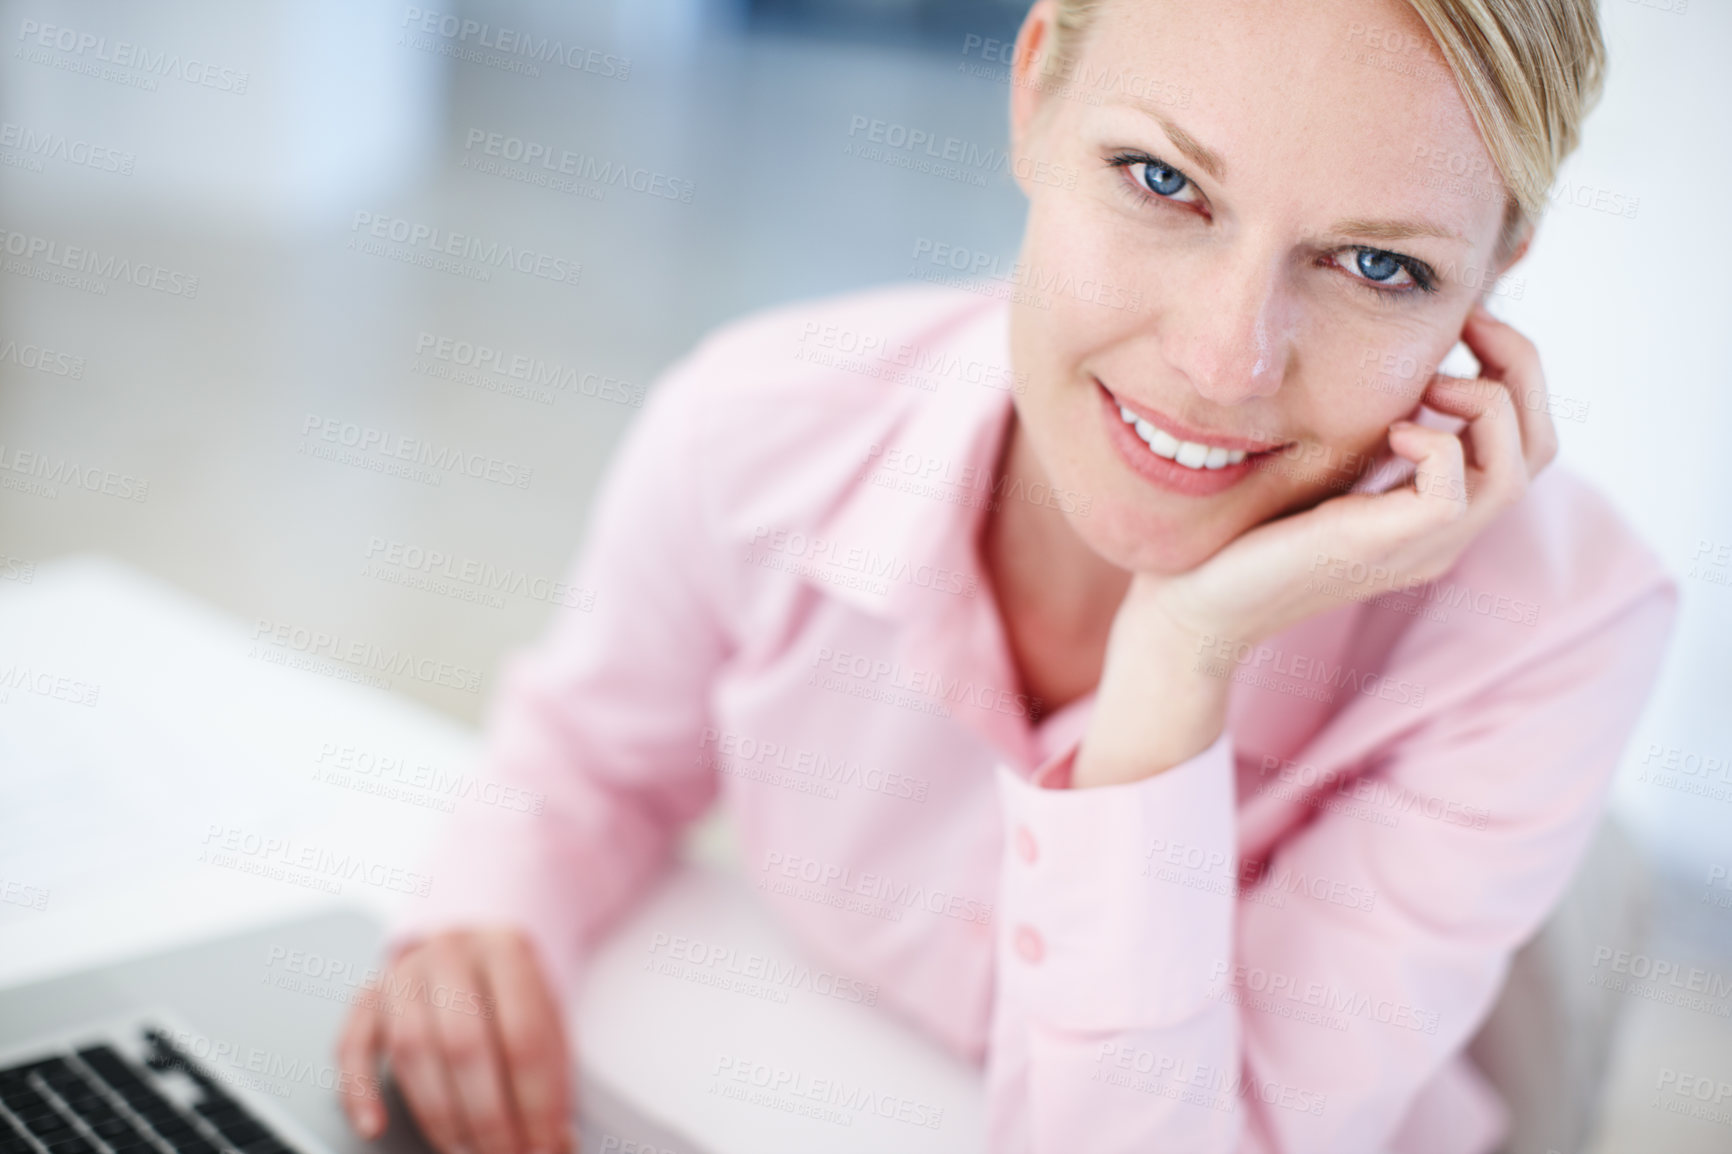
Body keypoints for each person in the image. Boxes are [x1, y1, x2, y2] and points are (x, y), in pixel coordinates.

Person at [334, 0, 1677, 1150]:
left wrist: (1174, 670)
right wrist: (480, 921)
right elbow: (589, 756)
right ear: (1036, 91)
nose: (1225, 361)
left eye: (1381, 264)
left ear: (1495, 276)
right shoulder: (759, 422)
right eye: (1163, 181)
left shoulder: (1550, 628)